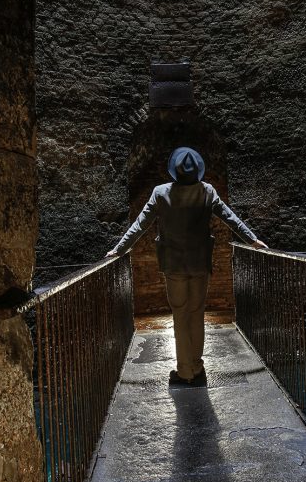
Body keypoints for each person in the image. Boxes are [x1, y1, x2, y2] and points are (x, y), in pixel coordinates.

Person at [106, 147, 268, 388]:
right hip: (200, 262)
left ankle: (185, 372)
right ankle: (197, 365)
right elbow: (230, 218)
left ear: (175, 170)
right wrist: (252, 240)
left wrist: (118, 250)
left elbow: (140, 225)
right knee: (197, 315)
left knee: (180, 316)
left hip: (173, 265)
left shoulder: (160, 193)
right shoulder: (207, 191)